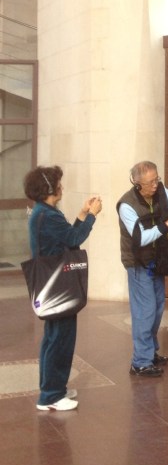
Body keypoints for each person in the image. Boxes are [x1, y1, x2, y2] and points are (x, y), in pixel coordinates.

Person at [24, 165, 102, 412]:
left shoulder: (43, 212)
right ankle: (50, 396)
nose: (62, 187)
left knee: (53, 337)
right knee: (60, 339)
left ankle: (53, 388)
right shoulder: (48, 215)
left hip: (51, 284)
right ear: (50, 188)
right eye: (59, 183)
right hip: (58, 286)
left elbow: (66, 234)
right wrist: (92, 216)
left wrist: (81, 214)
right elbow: (74, 239)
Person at [117, 160, 168, 376]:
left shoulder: (159, 190)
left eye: (157, 180)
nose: (155, 185)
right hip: (137, 263)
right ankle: (140, 362)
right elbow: (141, 238)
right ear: (136, 183)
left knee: (158, 307)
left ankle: (150, 353)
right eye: (150, 182)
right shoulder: (126, 205)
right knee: (145, 311)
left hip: (157, 260)